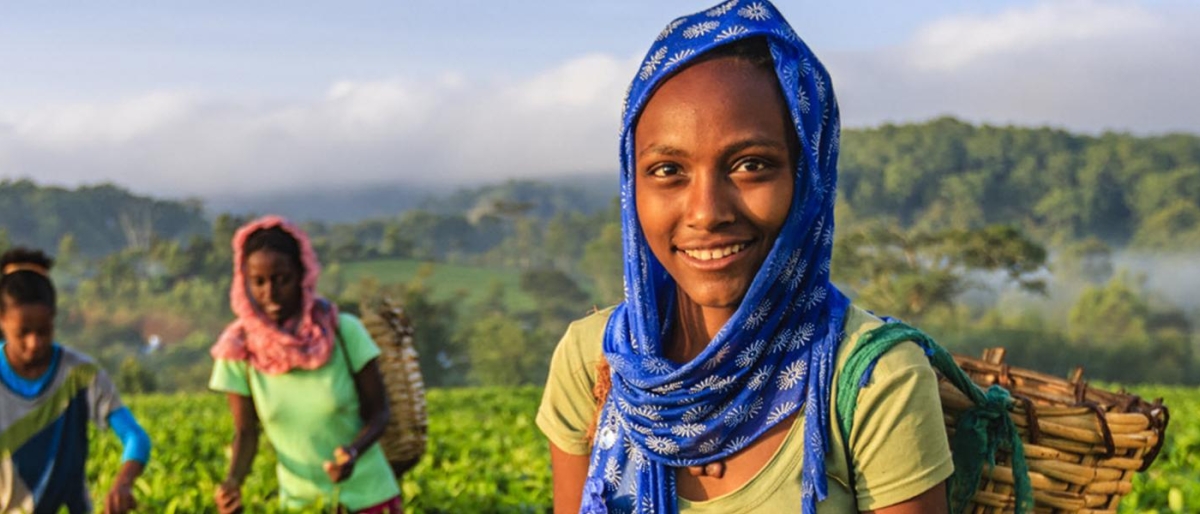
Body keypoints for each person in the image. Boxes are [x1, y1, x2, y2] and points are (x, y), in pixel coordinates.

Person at [536, 2, 953, 513]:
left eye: (751, 165)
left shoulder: (874, 382)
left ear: (808, 180)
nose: (707, 212)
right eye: (668, 170)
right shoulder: (596, 362)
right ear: (632, 184)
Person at [209, 216, 401, 513]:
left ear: (302, 275)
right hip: (300, 504)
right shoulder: (239, 350)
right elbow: (246, 432)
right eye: (258, 282)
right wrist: (233, 482)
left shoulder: (342, 331)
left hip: (368, 497)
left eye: (281, 279)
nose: (270, 294)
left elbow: (380, 412)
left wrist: (353, 451)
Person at [0, 247, 151, 513]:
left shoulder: (80, 374)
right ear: (2, 321)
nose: (34, 343)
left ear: (54, 319)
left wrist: (123, 483)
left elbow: (135, 437)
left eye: (43, 332)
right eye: (22, 333)